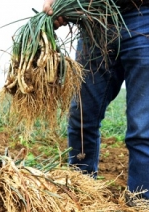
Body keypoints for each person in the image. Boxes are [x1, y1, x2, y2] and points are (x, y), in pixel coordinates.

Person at [43, 0, 149, 199]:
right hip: (94, 20)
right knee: (81, 117)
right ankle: (80, 197)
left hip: (143, 15)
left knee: (143, 130)